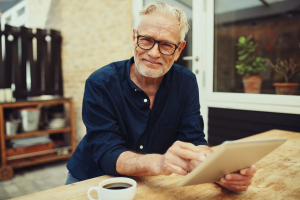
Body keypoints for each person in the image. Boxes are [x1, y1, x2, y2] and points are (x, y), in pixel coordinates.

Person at [66, 1, 256, 192]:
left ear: (179, 50)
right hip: (92, 179)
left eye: (166, 45)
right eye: (146, 40)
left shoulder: (186, 82)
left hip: (149, 182)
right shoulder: (101, 83)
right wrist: (160, 163)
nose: (154, 53)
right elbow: (107, 152)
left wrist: (219, 171)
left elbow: (194, 139)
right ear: (134, 37)